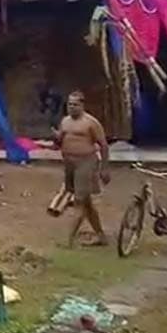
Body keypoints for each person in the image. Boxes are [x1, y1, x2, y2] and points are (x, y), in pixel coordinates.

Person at [54, 90, 110, 247]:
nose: (72, 107)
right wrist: (57, 138)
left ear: (82, 105)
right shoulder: (65, 121)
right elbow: (59, 141)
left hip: (86, 163)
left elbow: (104, 145)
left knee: (79, 201)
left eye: (75, 104)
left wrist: (105, 168)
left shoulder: (90, 122)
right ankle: (101, 236)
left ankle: (68, 240)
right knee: (86, 202)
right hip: (69, 163)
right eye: (69, 104)